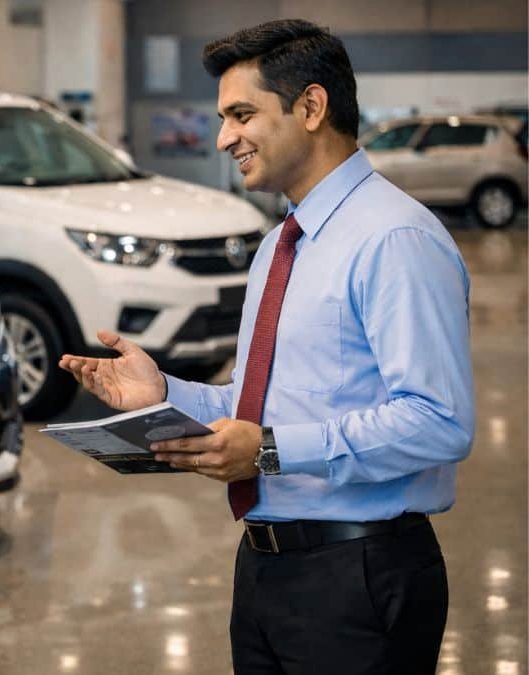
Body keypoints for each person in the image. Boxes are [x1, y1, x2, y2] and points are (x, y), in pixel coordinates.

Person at [59, 19, 473, 674]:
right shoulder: (285, 242)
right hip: (265, 569)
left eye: (242, 114)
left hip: (359, 576)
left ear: (311, 107)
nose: (225, 138)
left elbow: (439, 420)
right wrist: (163, 392)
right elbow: (265, 402)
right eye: (224, 118)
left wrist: (272, 450)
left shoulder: (395, 239)